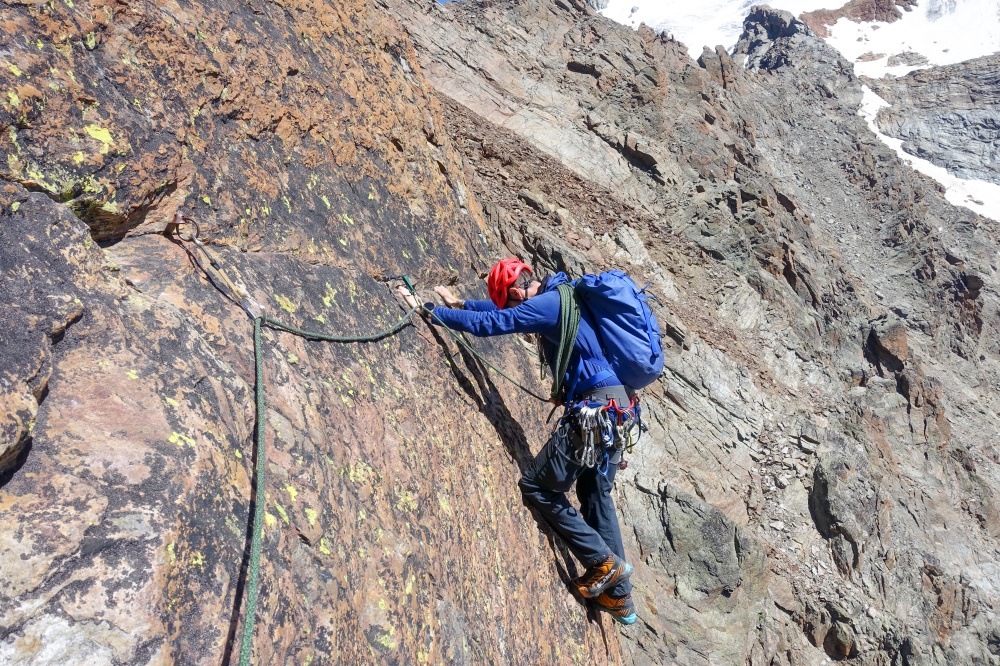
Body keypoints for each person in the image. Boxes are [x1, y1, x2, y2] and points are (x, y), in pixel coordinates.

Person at [398, 258, 637, 625]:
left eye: (507, 300)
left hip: (593, 412)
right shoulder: (563, 295)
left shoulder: (549, 304)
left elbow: (498, 322)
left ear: (513, 291)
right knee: (594, 492)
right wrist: (462, 305)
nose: (511, 307)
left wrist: (431, 311)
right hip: (617, 409)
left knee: (537, 487)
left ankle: (602, 563)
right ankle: (619, 598)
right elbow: (504, 313)